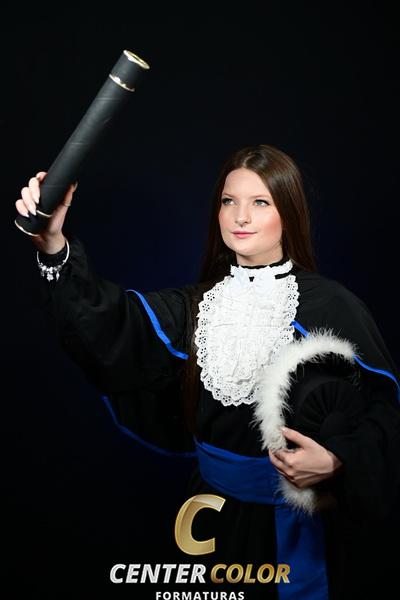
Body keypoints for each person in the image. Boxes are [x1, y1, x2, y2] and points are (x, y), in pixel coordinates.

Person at [16, 144, 400, 599]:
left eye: (261, 202)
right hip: (208, 517)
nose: (241, 216)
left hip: (298, 529)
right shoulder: (198, 308)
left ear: (289, 213)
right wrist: (54, 246)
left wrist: (339, 460)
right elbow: (109, 327)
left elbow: (387, 414)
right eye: (228, 201)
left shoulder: (333, 305)